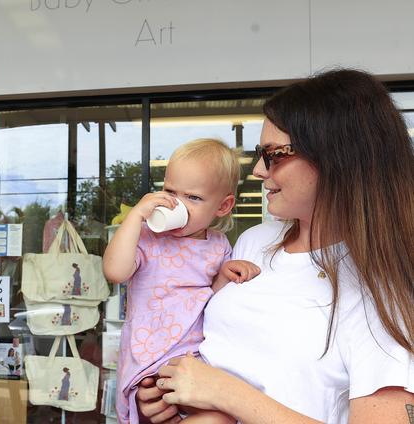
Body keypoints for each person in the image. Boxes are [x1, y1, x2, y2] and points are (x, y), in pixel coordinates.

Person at [137, 69, 414, 424]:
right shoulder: (255, 242)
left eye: (275, 155)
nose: (257, 170)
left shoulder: (383, 288)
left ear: (337, 158)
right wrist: (168, 396)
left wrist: (223, 391)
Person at [103, 138, 261, 423]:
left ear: (223, 206)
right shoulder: (148, 238)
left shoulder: (218, 244)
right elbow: (115, 271)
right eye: (170, 191)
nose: (178, 204)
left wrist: (227, 275)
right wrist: (135, 218)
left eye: (194, 197)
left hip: (194, 361)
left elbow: (210, 300)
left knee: (220, 417)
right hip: (150, 359)